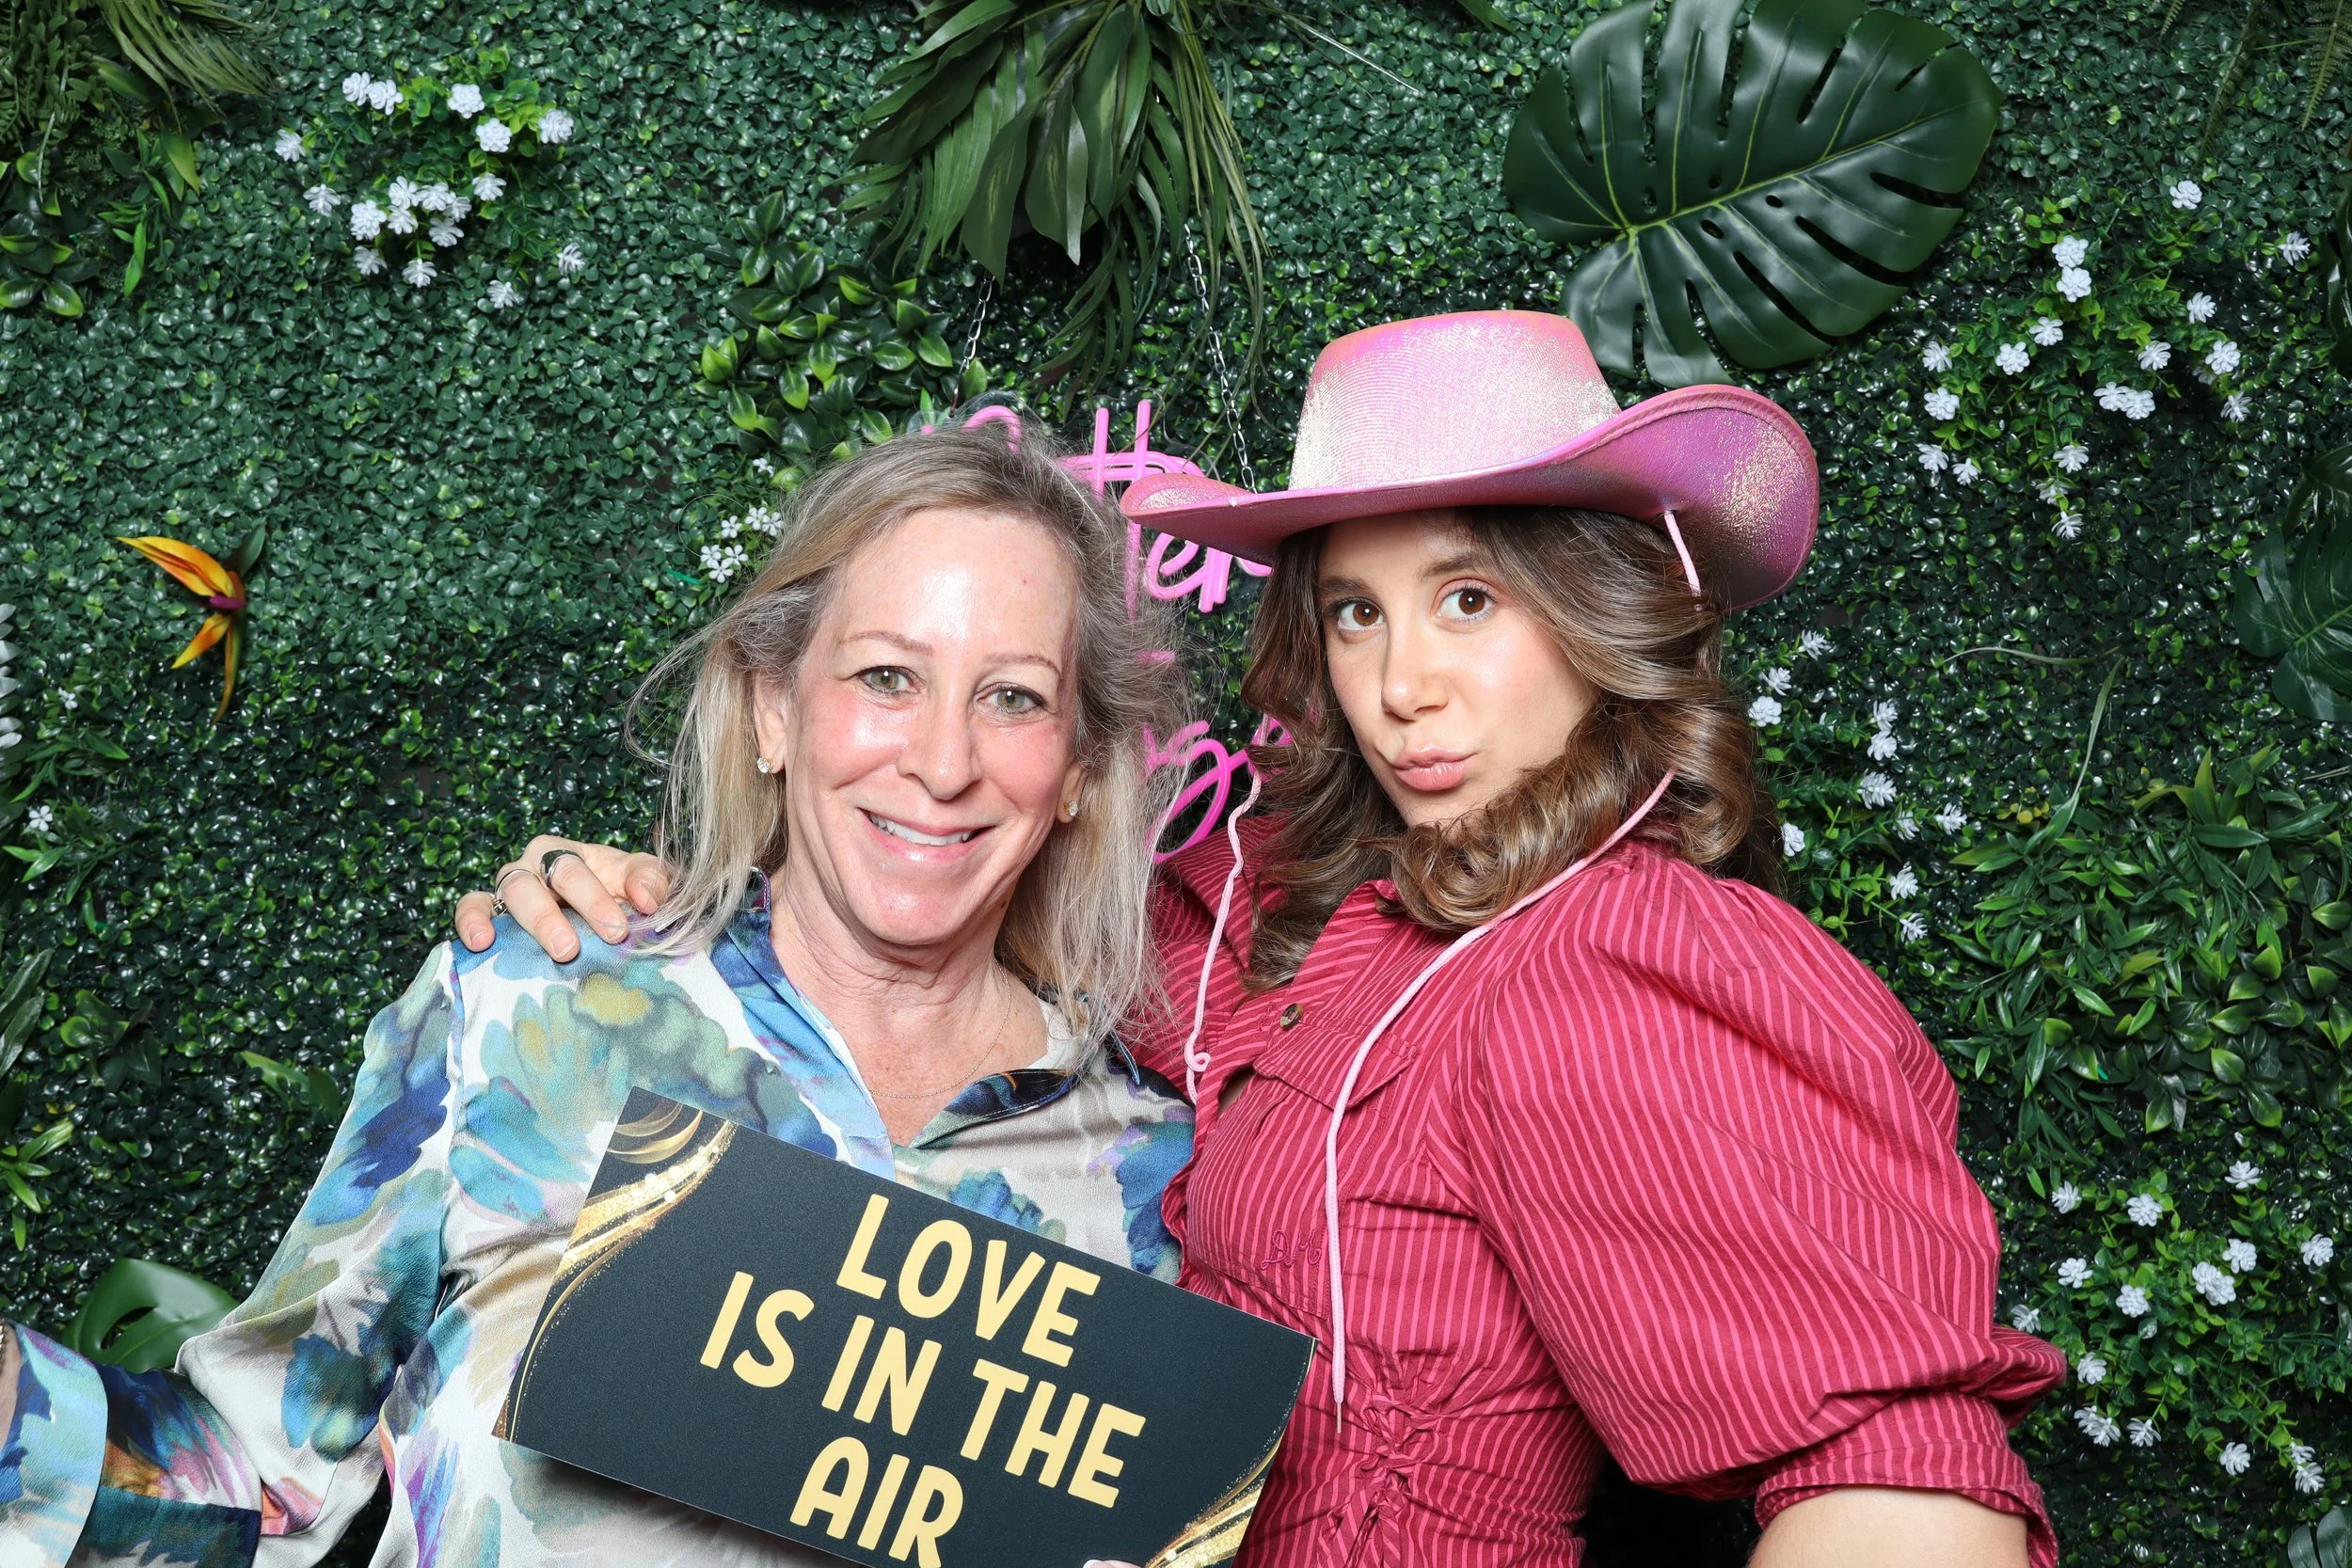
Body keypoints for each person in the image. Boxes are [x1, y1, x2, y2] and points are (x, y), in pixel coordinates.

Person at [459, 312, 2066, 1567]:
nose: (1401, 684)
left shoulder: (1619, 959)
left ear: (1600, 607)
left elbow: (1898, 1480)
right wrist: (668, 901)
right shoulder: (1293, 907)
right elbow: (944, 864)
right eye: (1357, 610)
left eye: (1469, 601)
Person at [0, 424, 1198, 1566]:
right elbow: (258, 1481)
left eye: (1013, 697)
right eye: (887, 675)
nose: (942, 763)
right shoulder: (532, 1002)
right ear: (775, 706)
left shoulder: (1148, 1166)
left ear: (1083, 769)